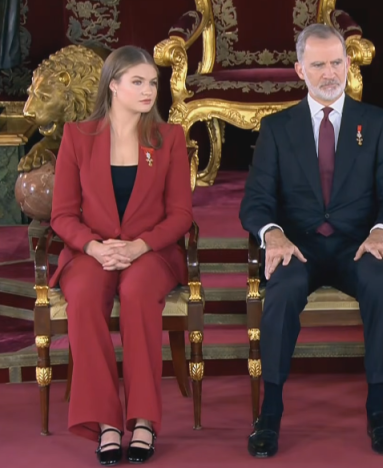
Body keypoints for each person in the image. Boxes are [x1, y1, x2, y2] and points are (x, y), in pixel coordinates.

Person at [239, 24, 383, 458]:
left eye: (336, 62)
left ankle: (378, 410)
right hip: (299, 247)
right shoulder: (276, 128)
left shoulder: (377, 123)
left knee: (382, 287)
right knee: (281, 294)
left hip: (358, 245)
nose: (329, 72)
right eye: (318, 64)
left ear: (348, 64)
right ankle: (270, 413)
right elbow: (255, 203)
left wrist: (380, 232)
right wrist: (273, 234)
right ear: (300, 69)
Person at [50, 45, 193, 464]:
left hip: (151, 252)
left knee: (136, 294)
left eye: (153, 83)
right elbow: (62, 214)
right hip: (90, 251)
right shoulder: (78, 136)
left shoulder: (169, 138)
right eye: (138, 82)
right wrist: (94, 246)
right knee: (84, 298)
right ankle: (106, 423)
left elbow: (181, 214)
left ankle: (143, 420)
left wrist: (139, 245)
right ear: (113, 85)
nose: (149, 90)